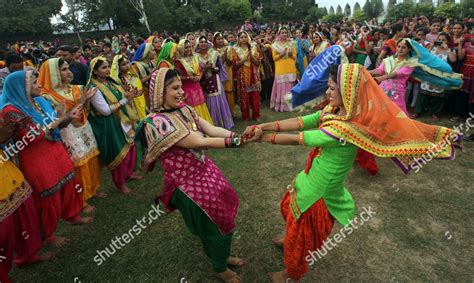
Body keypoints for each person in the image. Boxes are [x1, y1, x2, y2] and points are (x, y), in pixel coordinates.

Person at [250, 64, 460, 282]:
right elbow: (302, 121)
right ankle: (289, 238)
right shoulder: (334, 111)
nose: (327, 93)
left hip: (321, 189)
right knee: (291, 209)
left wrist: (262, 137)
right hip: (313, 174)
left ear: (349, 93)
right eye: (328, 87)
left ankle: (288, 274)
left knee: (303, 232)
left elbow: (300, 138)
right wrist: (265, 126)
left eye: (332, 89)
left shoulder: (348, 127)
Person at [136, 68, 259, 283]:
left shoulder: (184, 110)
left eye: (181, 86)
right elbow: (200, 141)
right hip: (188, 186)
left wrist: (238, 135)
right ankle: (219, 267)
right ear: (158, 93)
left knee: (224, 216)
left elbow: (210, 129)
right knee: (214, 223)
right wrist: (237, 142)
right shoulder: (158, 122)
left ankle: (222, 255)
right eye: (175, 88)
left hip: (205, 172)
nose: (181, 92)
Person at [0, 70, 93, 248]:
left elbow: (54, 126)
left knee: (68, 182)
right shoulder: (11, 110)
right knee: (48, 195)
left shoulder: (39, 101)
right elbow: (32, 136)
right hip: (35, 157)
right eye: (34, 83)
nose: (39, 85)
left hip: (53, 148)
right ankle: (48, 235)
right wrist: (59, 118)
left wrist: (66, 118)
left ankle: (73, 215)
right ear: (21, 87)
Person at [38, 58, 103, 212]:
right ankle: (82, 199)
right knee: (79, 163)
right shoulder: (47, 97)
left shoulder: (76, 88)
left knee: (91, 157)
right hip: (68, 132)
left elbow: (84, 110)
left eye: (68, 68)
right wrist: (81, 100)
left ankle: (93, 189)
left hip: (84, 127)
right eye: (64, 69)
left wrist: (85, 100)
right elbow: (59, 119)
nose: (69, 72)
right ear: (53, 73)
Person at [0, 120, 55, 281]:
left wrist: (10, 131)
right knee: (4, 233)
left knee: (25, 215)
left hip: (7, 173)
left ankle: (29, 255)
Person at [87, 57, 141, 194]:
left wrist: (131, 95)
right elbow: (105, 111)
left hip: (121, 119)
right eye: (103, 67)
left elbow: (121, 97)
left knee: (129, 147)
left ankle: (128, 174)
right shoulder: (94, 89)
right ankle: (120, 183)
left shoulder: (110, 82)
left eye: (107, 66)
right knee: (118, 153)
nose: (107, 70)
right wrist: (125, 100)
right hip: (108, 124)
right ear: (95, 71)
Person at [413, 33, 457, 120]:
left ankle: (435, 113)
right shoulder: (433, 47)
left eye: (443, 40)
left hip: (441, 75)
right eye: (439, 40)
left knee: (439, 94)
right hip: (429, 74)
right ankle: (418, 111)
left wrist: (447, 49)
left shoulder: (450, 50)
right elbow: (423, 56)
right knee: (423, 93)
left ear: (448, 41)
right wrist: (431, 46)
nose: (441, 42)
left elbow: (453, 60)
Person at [196, 36, 234, 129]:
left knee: (217, 99)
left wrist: (213, 68)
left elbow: (220, 68)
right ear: (198, 44)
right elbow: (196, 71)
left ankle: (222, 123)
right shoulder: (195, 57)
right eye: (201, 42)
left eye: (205, 41)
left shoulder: (214, 54)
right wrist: (204, 69)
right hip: (203, 82)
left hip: (215, 80)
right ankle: (211, 125)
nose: (203, 43)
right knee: (207, 100)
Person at [369, 39, 414, 114]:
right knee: (380, 111)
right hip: (383, 89)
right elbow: (379, 70)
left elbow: (397, 73)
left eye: (403, 47)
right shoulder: (388, 60)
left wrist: (382, 78)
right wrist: (365, 71)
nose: (400, 49)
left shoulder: (410, 63)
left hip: (397, 92)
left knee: (396, 112)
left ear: (409, 49)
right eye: (398, 46)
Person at [174, 39, 214, 124]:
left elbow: (199, 71)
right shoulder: (179, 61)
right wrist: (189, 78)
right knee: (192, 109)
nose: (188, 49)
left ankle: (206, 127)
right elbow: (178, 77)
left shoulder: (195, 57)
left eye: (189, 47)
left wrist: (200, 76)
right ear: (181, 48)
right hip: (187, 89)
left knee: (201, 105)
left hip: (197, 87)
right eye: (186, 47)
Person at [230, 31, 262, 121]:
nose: (244, 39)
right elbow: (235, 64)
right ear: (238, 39)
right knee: (245, 96)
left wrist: (251, 56)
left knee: (255, 95)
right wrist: (245, 58)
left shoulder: (254, 47)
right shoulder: (235, 49)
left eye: (245, 37)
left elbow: (258, 62)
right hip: (242, 76)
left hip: (253, 74)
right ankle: (245, 116)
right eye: (242, 37)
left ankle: (256, 115)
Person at [111, 54, 147, 120]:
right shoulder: (118, 81)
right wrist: (124, 90)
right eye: (123, 64)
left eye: (128, 63)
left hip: (140, 106)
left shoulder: (134, 77)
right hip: (130, 108)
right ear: (118, 67)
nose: (127, 66)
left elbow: (140, 95)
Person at [270, 27, 297, 112]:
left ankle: (290, 105)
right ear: (279, 34)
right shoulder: (275, 45)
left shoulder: (292, 43)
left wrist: (290, 54)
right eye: (282, 33)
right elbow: (274, 58)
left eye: (285, 32)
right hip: (280, 68)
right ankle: (280, 106)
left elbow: (295, 56)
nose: (284, 34)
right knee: (281, 86)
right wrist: (280, 55)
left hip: (290, 67)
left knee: (289, 86)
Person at [130, 42, 158, 109]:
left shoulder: (152, 63)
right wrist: (150, 75)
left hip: (153, 94)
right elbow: (135, 83)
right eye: (153, 50)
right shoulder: (135, 66)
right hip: (143, 95)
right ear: (146, 53)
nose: (155, 52)